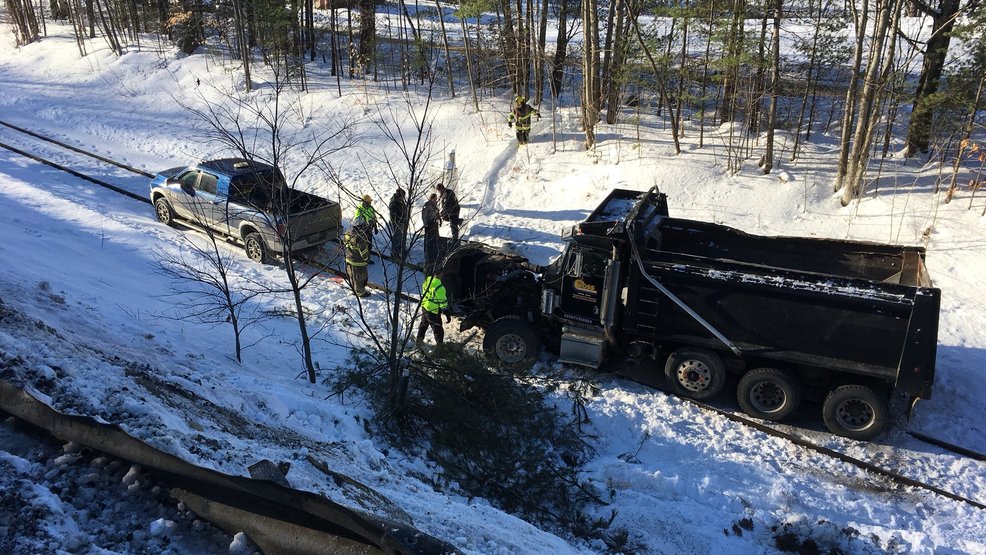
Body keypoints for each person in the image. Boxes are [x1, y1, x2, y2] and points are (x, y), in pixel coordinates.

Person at [416, 273, 449, 345]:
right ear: (440, 274)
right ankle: (439, 346)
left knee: (423, 325)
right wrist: (446, 312)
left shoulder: (427, 280)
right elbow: (442, 302)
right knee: (438, 329)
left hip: (425, 307)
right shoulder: (440, 287)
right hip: (433, 311)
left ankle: (419, 341)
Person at [343, 226, 370, 297]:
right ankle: (360, 292)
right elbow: (364, 253)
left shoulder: (347, 233)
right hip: (358, 262)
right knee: (359, 278)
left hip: (349, 259)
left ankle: (353, 289)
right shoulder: (359, 238)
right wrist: (366, 259)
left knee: (352, 276)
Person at [422, 193, 441, 272]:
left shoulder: (435, 205)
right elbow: (424, 215)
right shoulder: (427, 205)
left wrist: (439, 219)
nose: (435, 200)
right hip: (429, 224)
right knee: (428, 239)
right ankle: (427, 253)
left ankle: (434, 252)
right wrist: (425, 224)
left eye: (436, 198)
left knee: (435, 238)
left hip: (434, 224)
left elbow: (437, 213)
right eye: (434, 198)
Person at [388, 187, 408, 259]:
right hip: (396, 223)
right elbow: (393, 214)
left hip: (402, 222)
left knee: (401, 237)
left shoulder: (401, 201)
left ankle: (400, 251)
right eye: (402, 197)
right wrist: (397, 221)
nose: (403, 198)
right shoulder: (394, 202)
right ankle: (394, 253)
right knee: (396, 238)